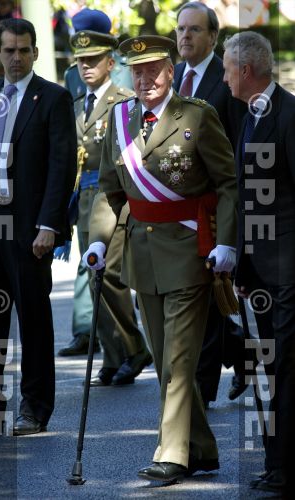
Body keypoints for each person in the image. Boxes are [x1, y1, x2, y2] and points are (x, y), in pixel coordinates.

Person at [83, 34, 238, 481]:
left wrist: (227, 241)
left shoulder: (196, 116)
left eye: (153, 70)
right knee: (168, 358)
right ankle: (201, 449)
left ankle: (170, 453)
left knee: (176, 362)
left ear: (171, 71)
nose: (145, 79)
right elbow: (110, 191)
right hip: (141, 257)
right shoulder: (120, 118)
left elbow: (227, 184)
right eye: (137, 71)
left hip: (190, 252)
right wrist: (98, 239)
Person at [0, 18, 76, 436]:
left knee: (32, 318)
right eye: (8, 50)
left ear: (35, 53)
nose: (16, 57)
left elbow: (62, 168)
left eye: (23, 50)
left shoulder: (52, 99)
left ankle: (35, 407)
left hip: (29, 226)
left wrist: (50, 224)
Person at [223, 31, 295, 495]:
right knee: (270, 367)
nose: (224, 77)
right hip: (263, 273)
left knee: (285, 368)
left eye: (228, 69)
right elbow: (250, 200)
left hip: (288, 272)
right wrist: (246, 270)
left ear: (247, 71)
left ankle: (285, 467)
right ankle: (276, 463)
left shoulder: (289, 116)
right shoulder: (248, 115)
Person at [67, 15, 152, 386]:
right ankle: (114, 352)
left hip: (112, 199)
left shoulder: (124, 102)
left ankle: (134, 348)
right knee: (92, 272)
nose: (87, 67)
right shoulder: (76, 102)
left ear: (109, 62)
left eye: (94, 60)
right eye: (81, 62)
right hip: (84, 198)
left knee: (110, 276)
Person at [173, 0, 248, 407]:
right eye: (181, 29)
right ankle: (241, 352)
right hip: (175, 216)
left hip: (214, 213)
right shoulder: (172, 77)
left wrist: (233, 227)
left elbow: (236, 153)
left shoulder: (226, 80)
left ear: (213, 36)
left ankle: (195, 408)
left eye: (195, 29)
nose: (185, 36)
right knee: (202, 305)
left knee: (203, 307)